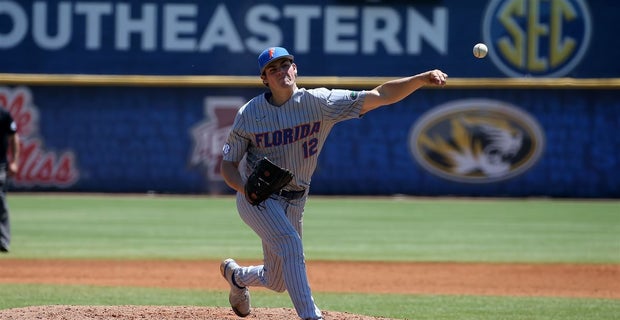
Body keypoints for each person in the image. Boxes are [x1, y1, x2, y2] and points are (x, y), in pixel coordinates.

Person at [219, 46, 447, 319]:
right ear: (264, 79)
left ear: (295, 68)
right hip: (259, 198)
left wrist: (420, 79)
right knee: (291, 244)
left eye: (285, 65)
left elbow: (380, 95)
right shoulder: (250, 114)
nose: (281, 72)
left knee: (277, 281)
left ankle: (236, 276)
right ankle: (310, 315)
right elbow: (228, 165)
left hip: (296, 199)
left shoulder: (320, 103)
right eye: (273, 69)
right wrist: (246, 189)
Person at [0, 107, 20, 253]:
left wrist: (14, 161)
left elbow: (14, 137)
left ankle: (3, 241)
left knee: (0, 201)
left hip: (0, 165)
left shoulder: (4, 114)